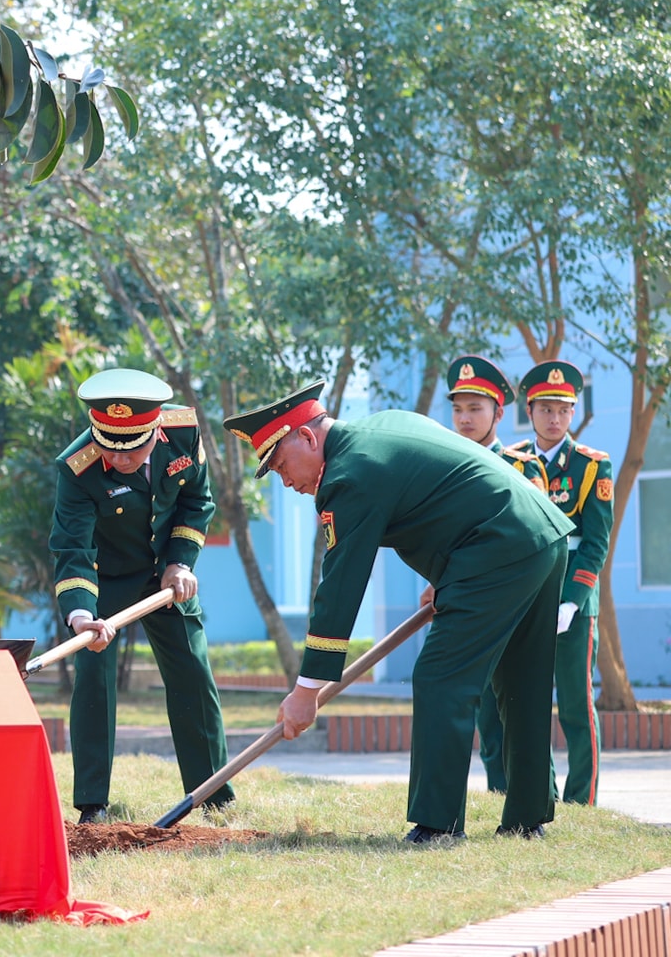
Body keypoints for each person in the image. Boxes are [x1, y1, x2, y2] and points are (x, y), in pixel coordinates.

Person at [231, 380, 572, 842]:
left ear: (308, 438)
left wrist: (307, 688)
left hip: (496, 549)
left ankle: (438, 824)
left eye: (281, 464)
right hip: (541, 534)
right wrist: (446, 576)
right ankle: (527, 819)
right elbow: (448, 490)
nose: (287, 482)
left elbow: (342, 584)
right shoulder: (384, 427)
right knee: (520, 681)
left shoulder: (348, 475)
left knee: (441, 678)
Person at [51, 368, 230, 824]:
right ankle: (92, 804)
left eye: (132, 449)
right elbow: (73, 549)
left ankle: (212, 794)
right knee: (92, 675)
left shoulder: (184, 430)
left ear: (154, 432)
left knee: (193, 670)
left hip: (167, 572)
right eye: (110, 447)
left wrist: (181, 560)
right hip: (104, 580)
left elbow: (197, 500)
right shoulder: (78, 468)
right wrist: (80, 618)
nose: (120, 459)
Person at [504, 359, 611, 806]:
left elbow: (596, 543)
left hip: (574, 602)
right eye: (545, 409)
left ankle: (581, 798)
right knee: (528, 704)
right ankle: (538, 793)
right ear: (530, 411)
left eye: (563, 409)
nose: (554, 418)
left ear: (572, 414)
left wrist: (570, 602)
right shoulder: (510, 461)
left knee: (575, 705)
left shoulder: (591, 465)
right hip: (527, 597)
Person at [444, 356, 547, 794]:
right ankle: (499, 793)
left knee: (522, 707)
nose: (466, 419)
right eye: (459, 410)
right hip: (470, 604)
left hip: (518, 602)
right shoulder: (445, 467)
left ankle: (538, 799)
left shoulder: (523, 467)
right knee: (486, 712)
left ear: (499, 413)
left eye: (476, 409)